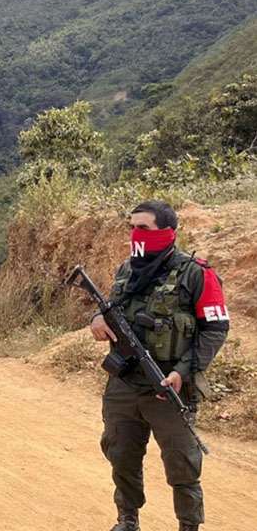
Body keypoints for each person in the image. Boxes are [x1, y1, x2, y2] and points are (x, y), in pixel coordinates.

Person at [89, 200, 229, 531]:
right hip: (124, 382)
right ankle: (127, 520)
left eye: (144, 228)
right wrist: (96, 319)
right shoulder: (127, 270)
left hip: (169, 385)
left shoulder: (197, 273)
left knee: (182, 466)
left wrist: (183, 371)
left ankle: (188, 526)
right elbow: (111, 310)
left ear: (168, 232)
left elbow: (215, 329)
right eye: (132, 227)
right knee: (121, 456)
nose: (136, 234)